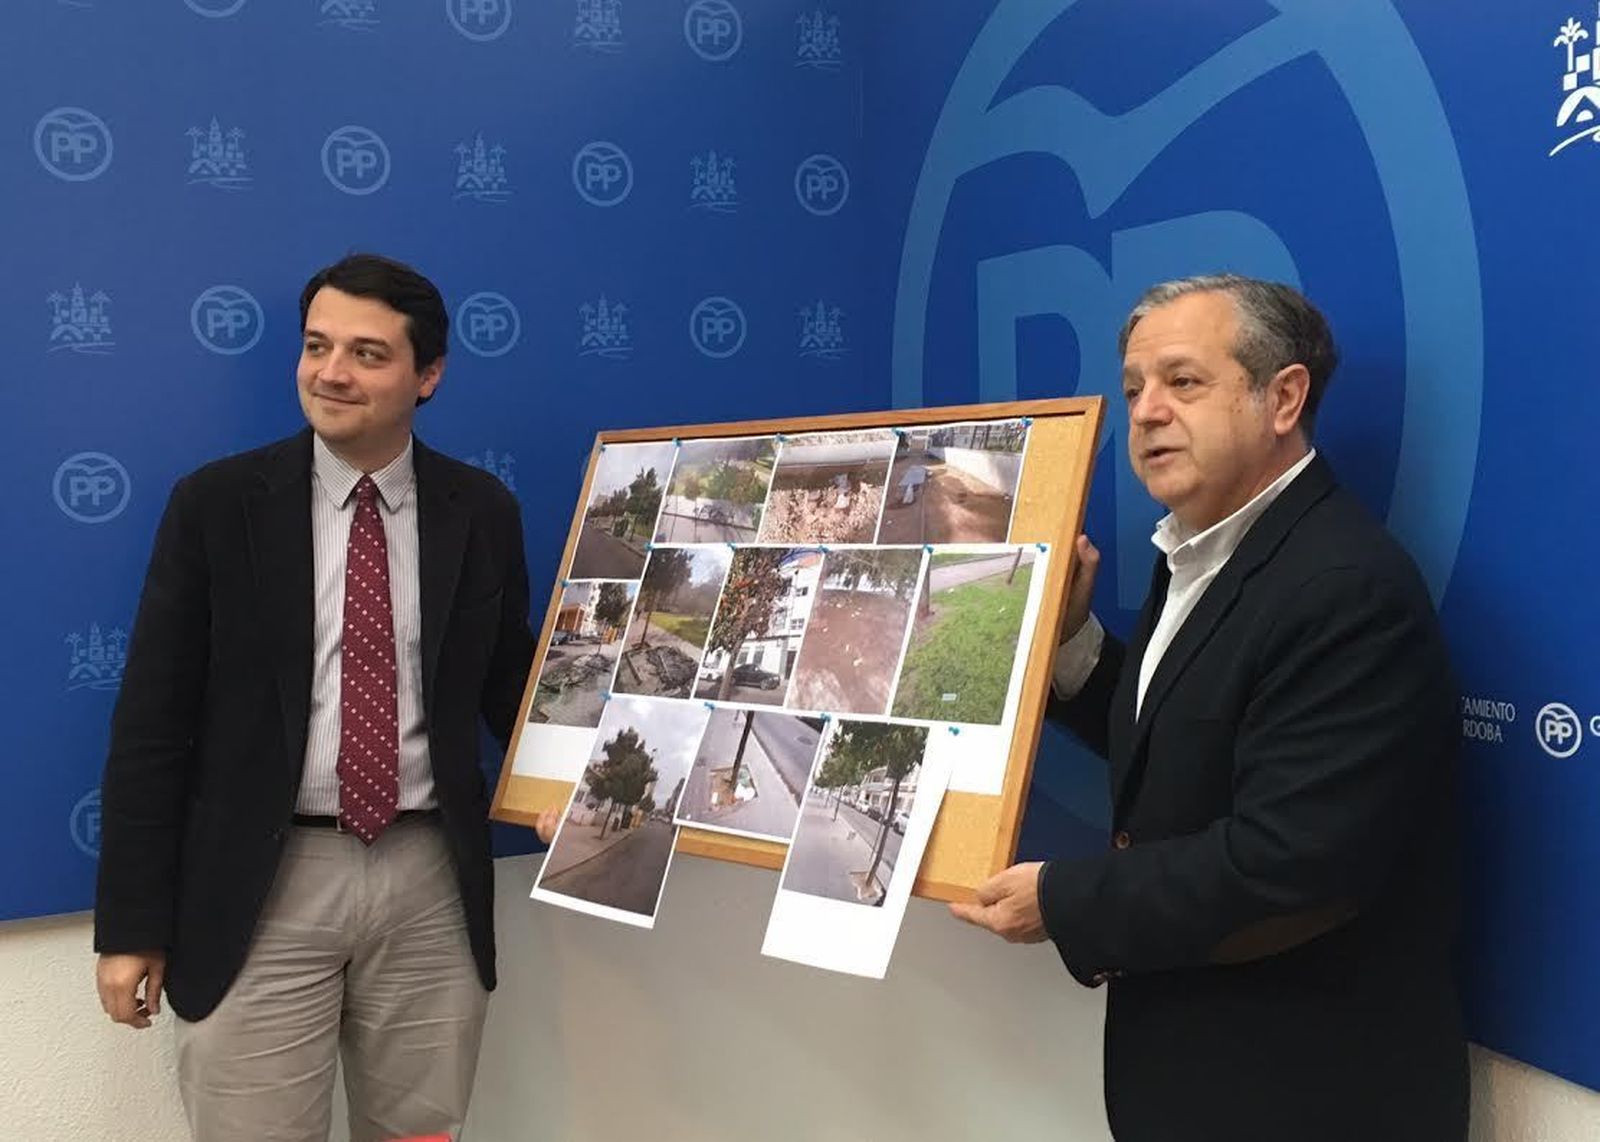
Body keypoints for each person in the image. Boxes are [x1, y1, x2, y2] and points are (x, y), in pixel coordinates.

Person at [951, 274, 1467, 1140]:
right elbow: (1185, 742)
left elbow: (1288, 864)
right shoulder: (1200, 550)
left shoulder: (1343, 587)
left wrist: (1066, 902)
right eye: (1133, 390)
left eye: (1183, 383)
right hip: (1190, 1081)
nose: (1146, 412)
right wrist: (1072, 642)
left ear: (1284, 397)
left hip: (1309, 1098)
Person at [93, 252, 558, 1142]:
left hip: (429, 878)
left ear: (428, 377)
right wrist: (131, 926)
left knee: (419, 1130)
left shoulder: (479, 508)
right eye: (317, 346)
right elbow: (152, 727)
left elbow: (509, 680)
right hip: (262, 882)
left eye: (368, 354)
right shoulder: (217, 506)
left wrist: (556, 787)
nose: (332, 373)